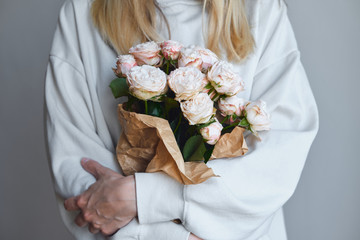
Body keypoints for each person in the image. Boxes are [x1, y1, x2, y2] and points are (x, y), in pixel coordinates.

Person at [44, 0, 319, 239]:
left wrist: (148, 196)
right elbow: (82, 177)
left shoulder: (260, 10)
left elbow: (277, 161)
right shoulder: (83, 15)